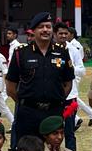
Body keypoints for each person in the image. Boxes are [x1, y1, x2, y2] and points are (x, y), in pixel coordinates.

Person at [6, 12, 74, 143]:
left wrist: (56, 99)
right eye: (41, 27)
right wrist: (26, 102)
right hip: (28, 113)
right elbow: (10, 86)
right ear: (34, 30)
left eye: (48, 27)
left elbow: (68, 83)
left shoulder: (62, 52)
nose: (45, 30)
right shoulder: (21, 53)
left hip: (53, 111)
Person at [56, 22, 92, 150]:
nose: (63, 36)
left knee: (69, 132)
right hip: (53, 96)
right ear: (55, 34)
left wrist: (68, 69)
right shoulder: (50, 49)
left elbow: (82, 70)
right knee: (52, 132)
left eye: (65, 33)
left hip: (70, 96)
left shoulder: (73, 50)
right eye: (60, 33)